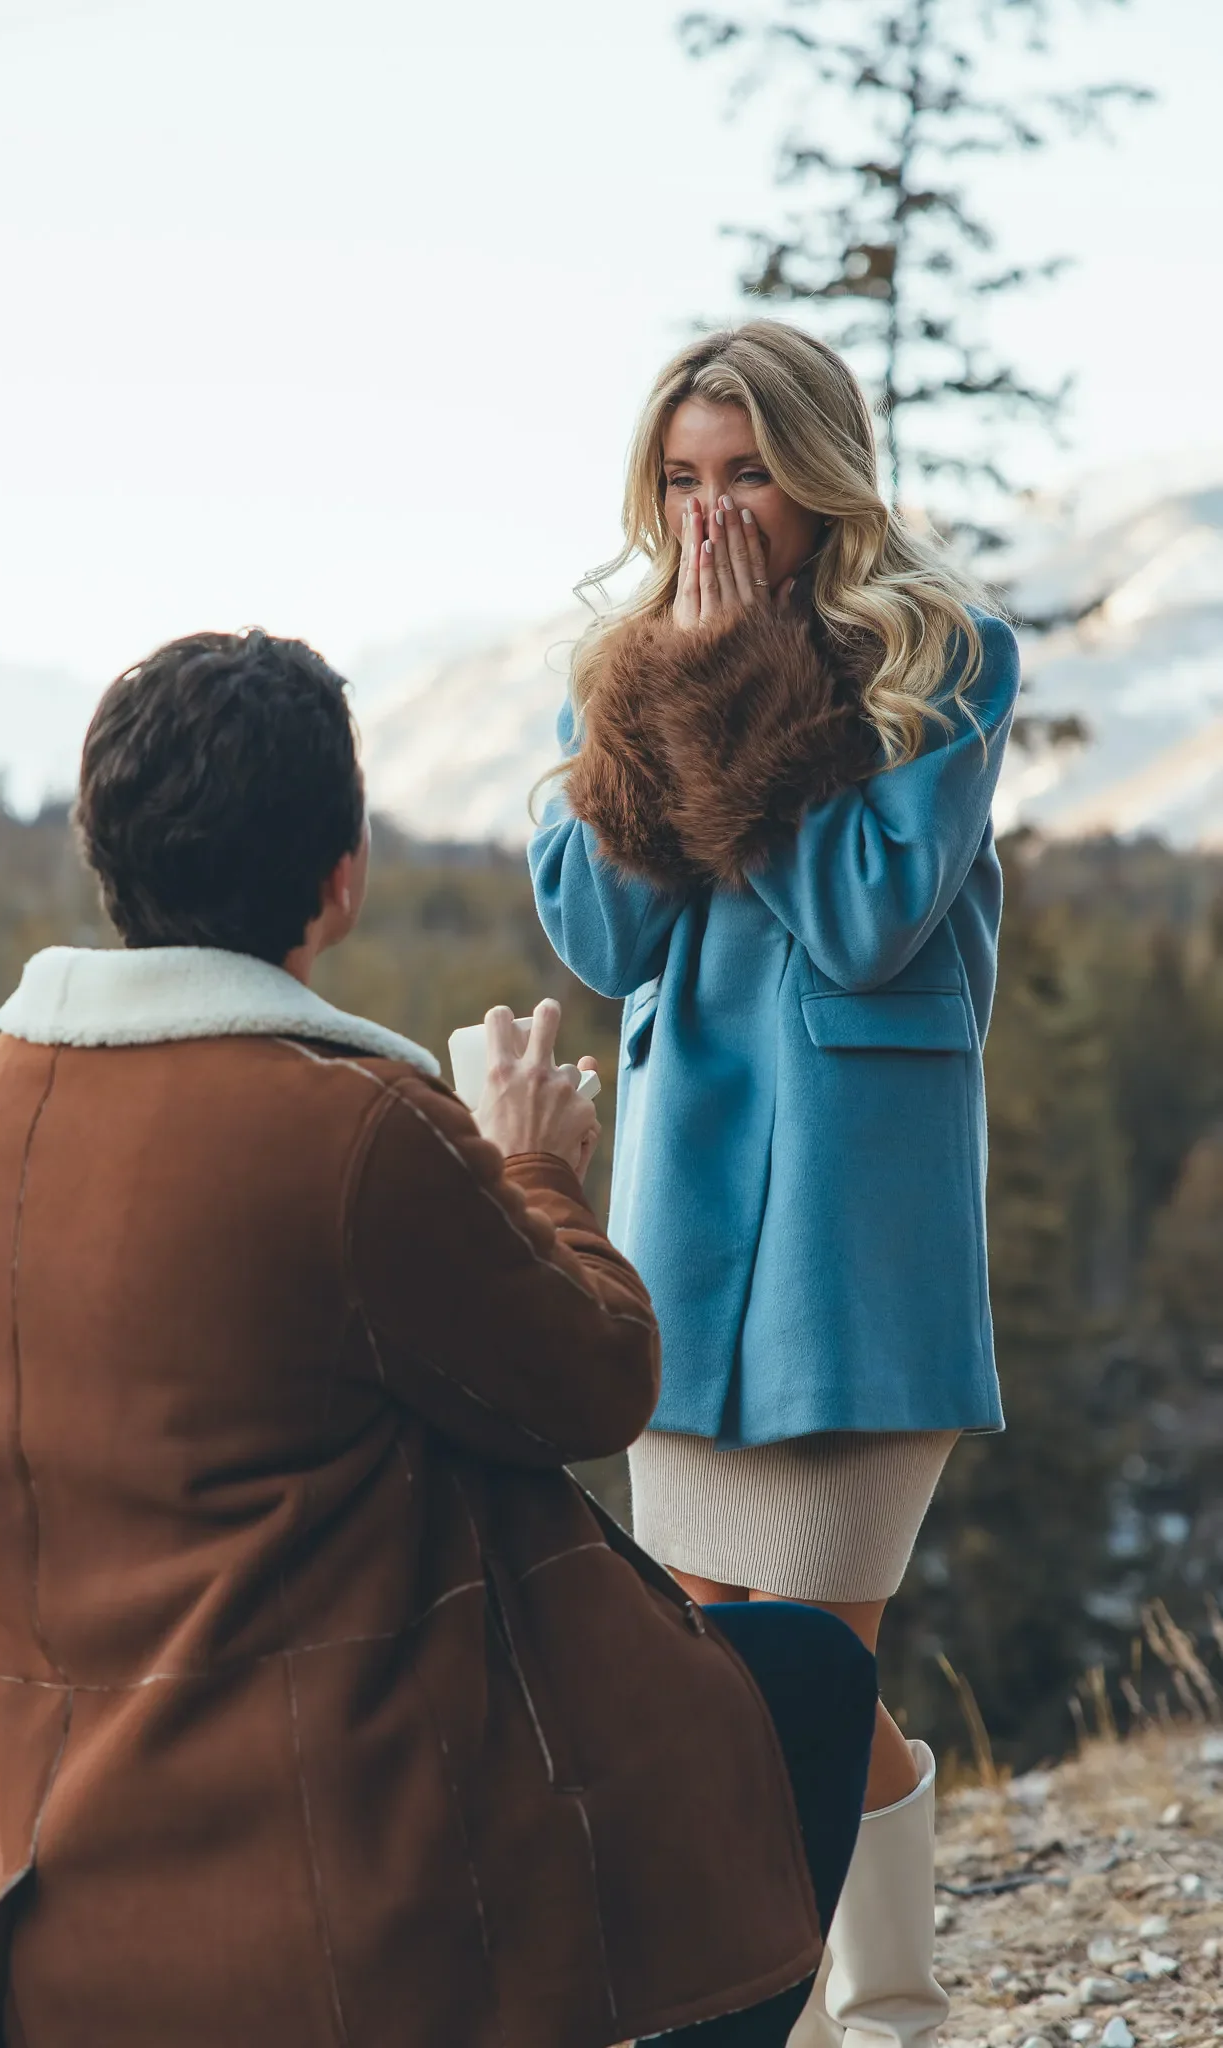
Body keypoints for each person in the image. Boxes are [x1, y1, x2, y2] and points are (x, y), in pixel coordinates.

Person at [0, 627, 874, 2048]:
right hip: (332, 1866)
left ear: (104, 850)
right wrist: (532, 1164)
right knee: (802, 1684)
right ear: (342, 873)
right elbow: (597, 1381)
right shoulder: (351, 1126)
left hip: (56, 1883)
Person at [530, 319, 1022, 2048]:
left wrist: (747, 691)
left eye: (747, 476)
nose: (713, 514)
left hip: (855, 1249)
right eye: (683, 479)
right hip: (683, 1247)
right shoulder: (624, 668)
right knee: (720, 1684)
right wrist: (675, 690)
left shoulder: (943, 658)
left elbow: (868, 918)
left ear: (820, 481)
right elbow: (600, 934)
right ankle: (856, 2012)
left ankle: (872, 2017)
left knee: (800, 1673)